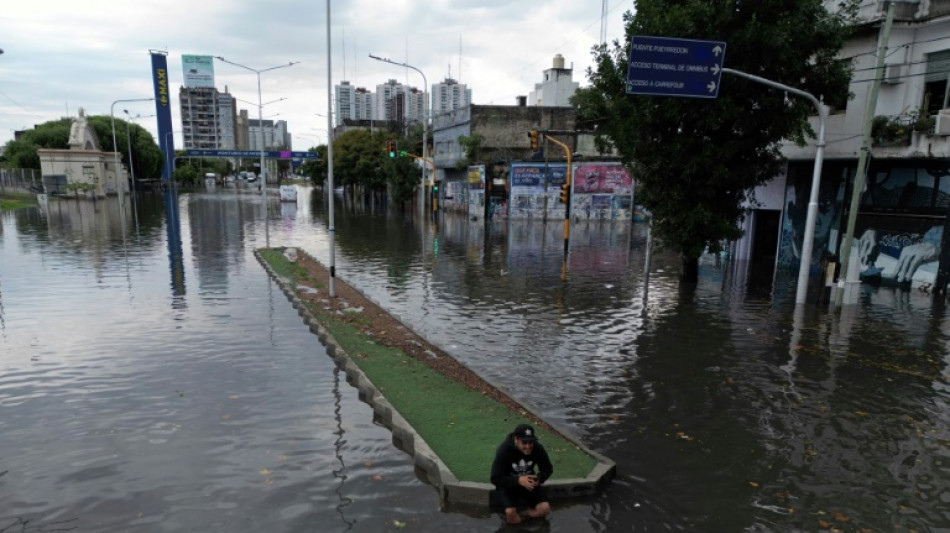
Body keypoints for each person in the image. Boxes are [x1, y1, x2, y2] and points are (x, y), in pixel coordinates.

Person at [490, 423, 554, 525]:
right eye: (524, 442)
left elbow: (548, 469)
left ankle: (525, 514)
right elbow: (495, 478)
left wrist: (538, 479)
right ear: (516, 439)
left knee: (545, 509)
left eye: (530, 442)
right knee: (510, 513)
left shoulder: (538, 448)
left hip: (529, 482)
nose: (528, 446)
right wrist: (518, 480)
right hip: (508, 484)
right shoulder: (504, 450)